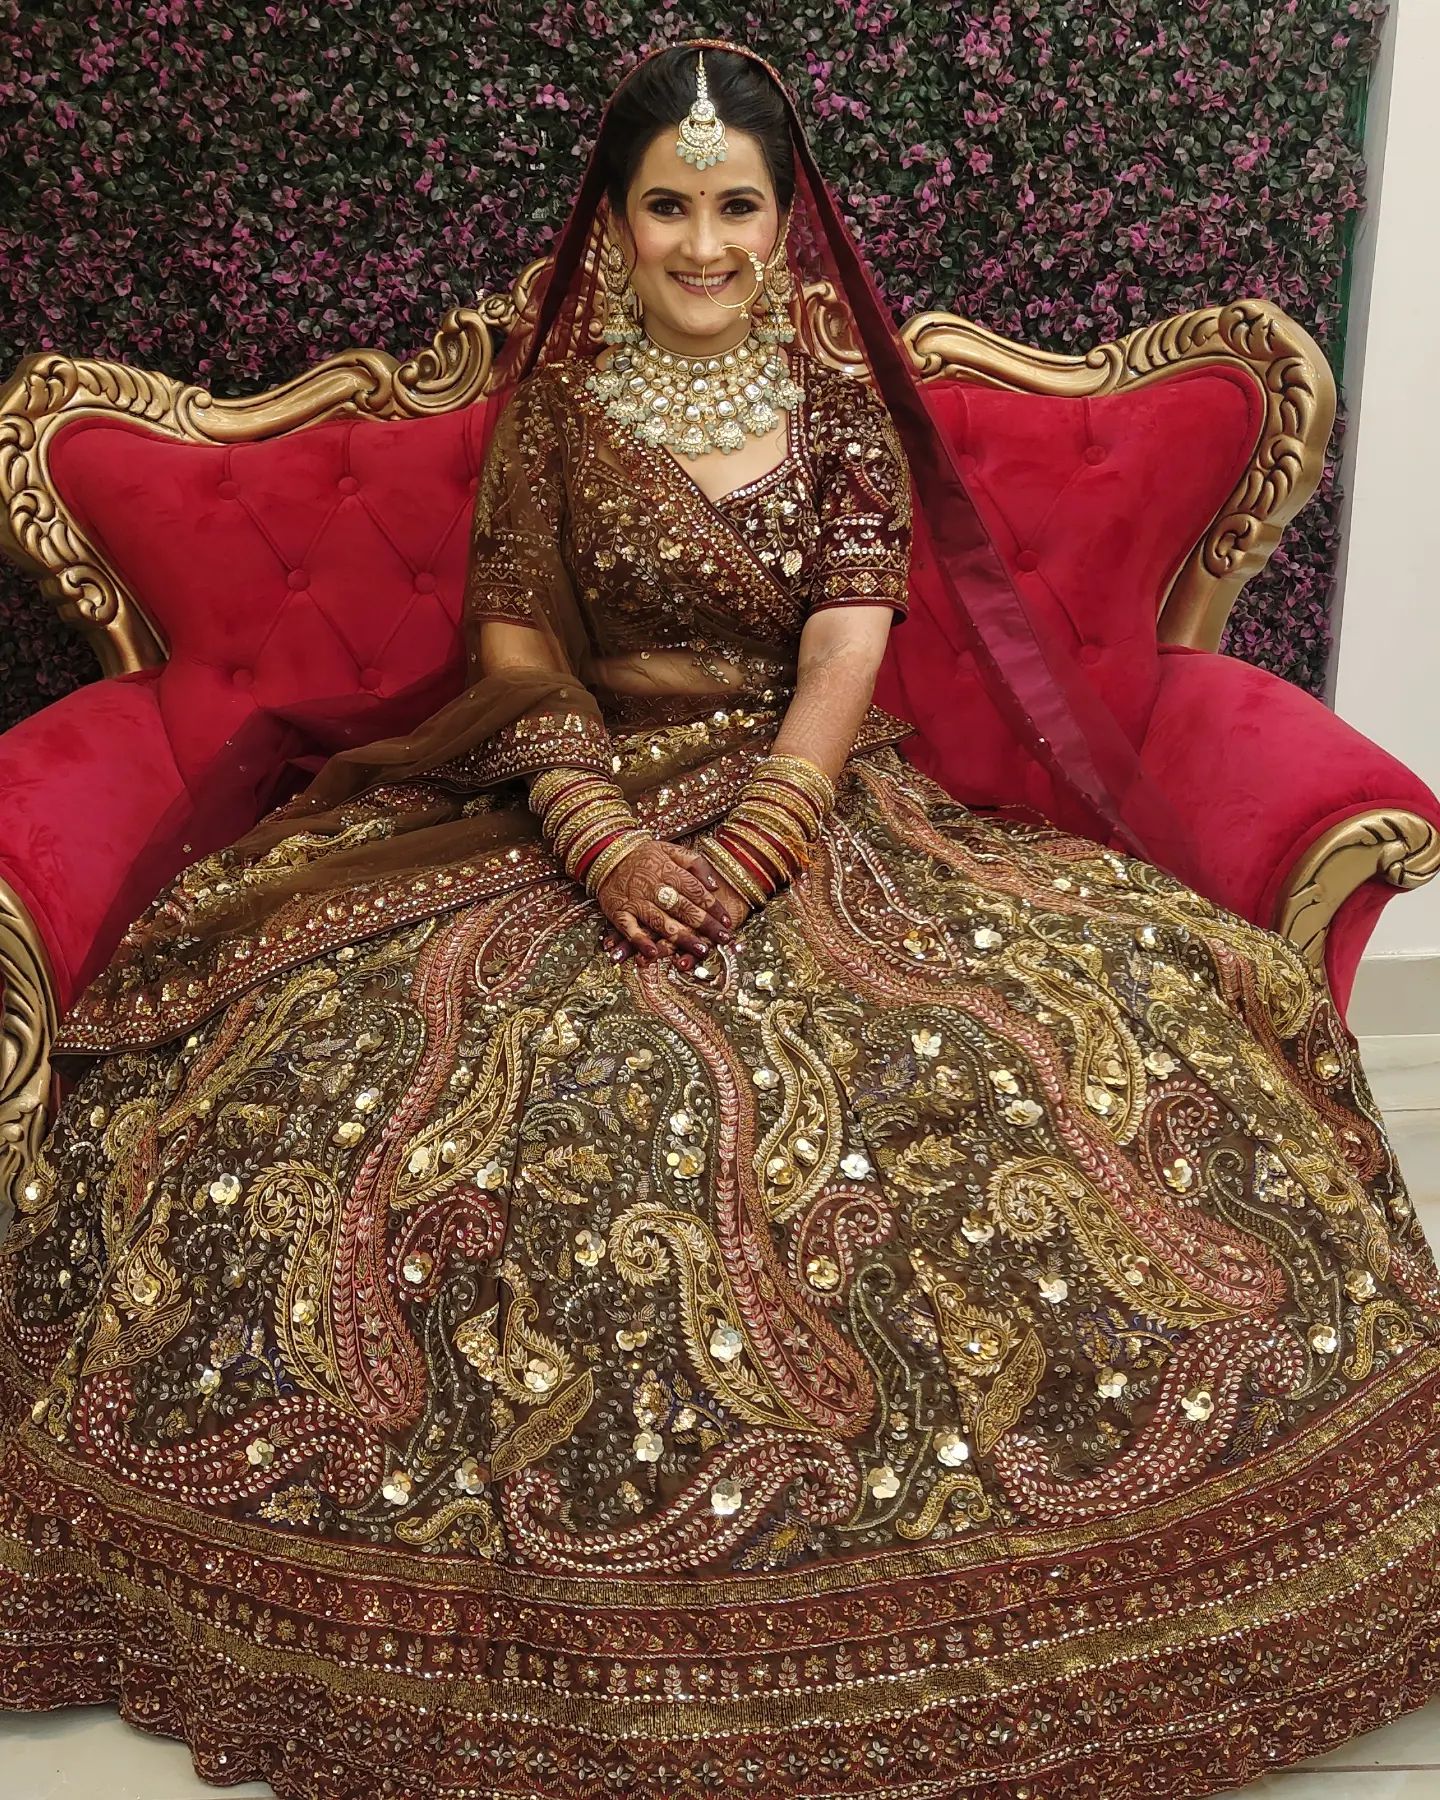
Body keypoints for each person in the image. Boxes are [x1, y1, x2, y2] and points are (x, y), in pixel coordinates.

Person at [2, 38, 1439, 1800]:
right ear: (615, 222)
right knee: (401, 1084)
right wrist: (601, 838)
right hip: (568, 793)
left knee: (1052, 1052)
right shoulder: (557, 412)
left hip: (814, 803)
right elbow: (519, 651)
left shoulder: (839, 408)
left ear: (784, 218)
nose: (705, 244)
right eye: (668, 208)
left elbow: (845, 647)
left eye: (736, 206)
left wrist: (763, 834)